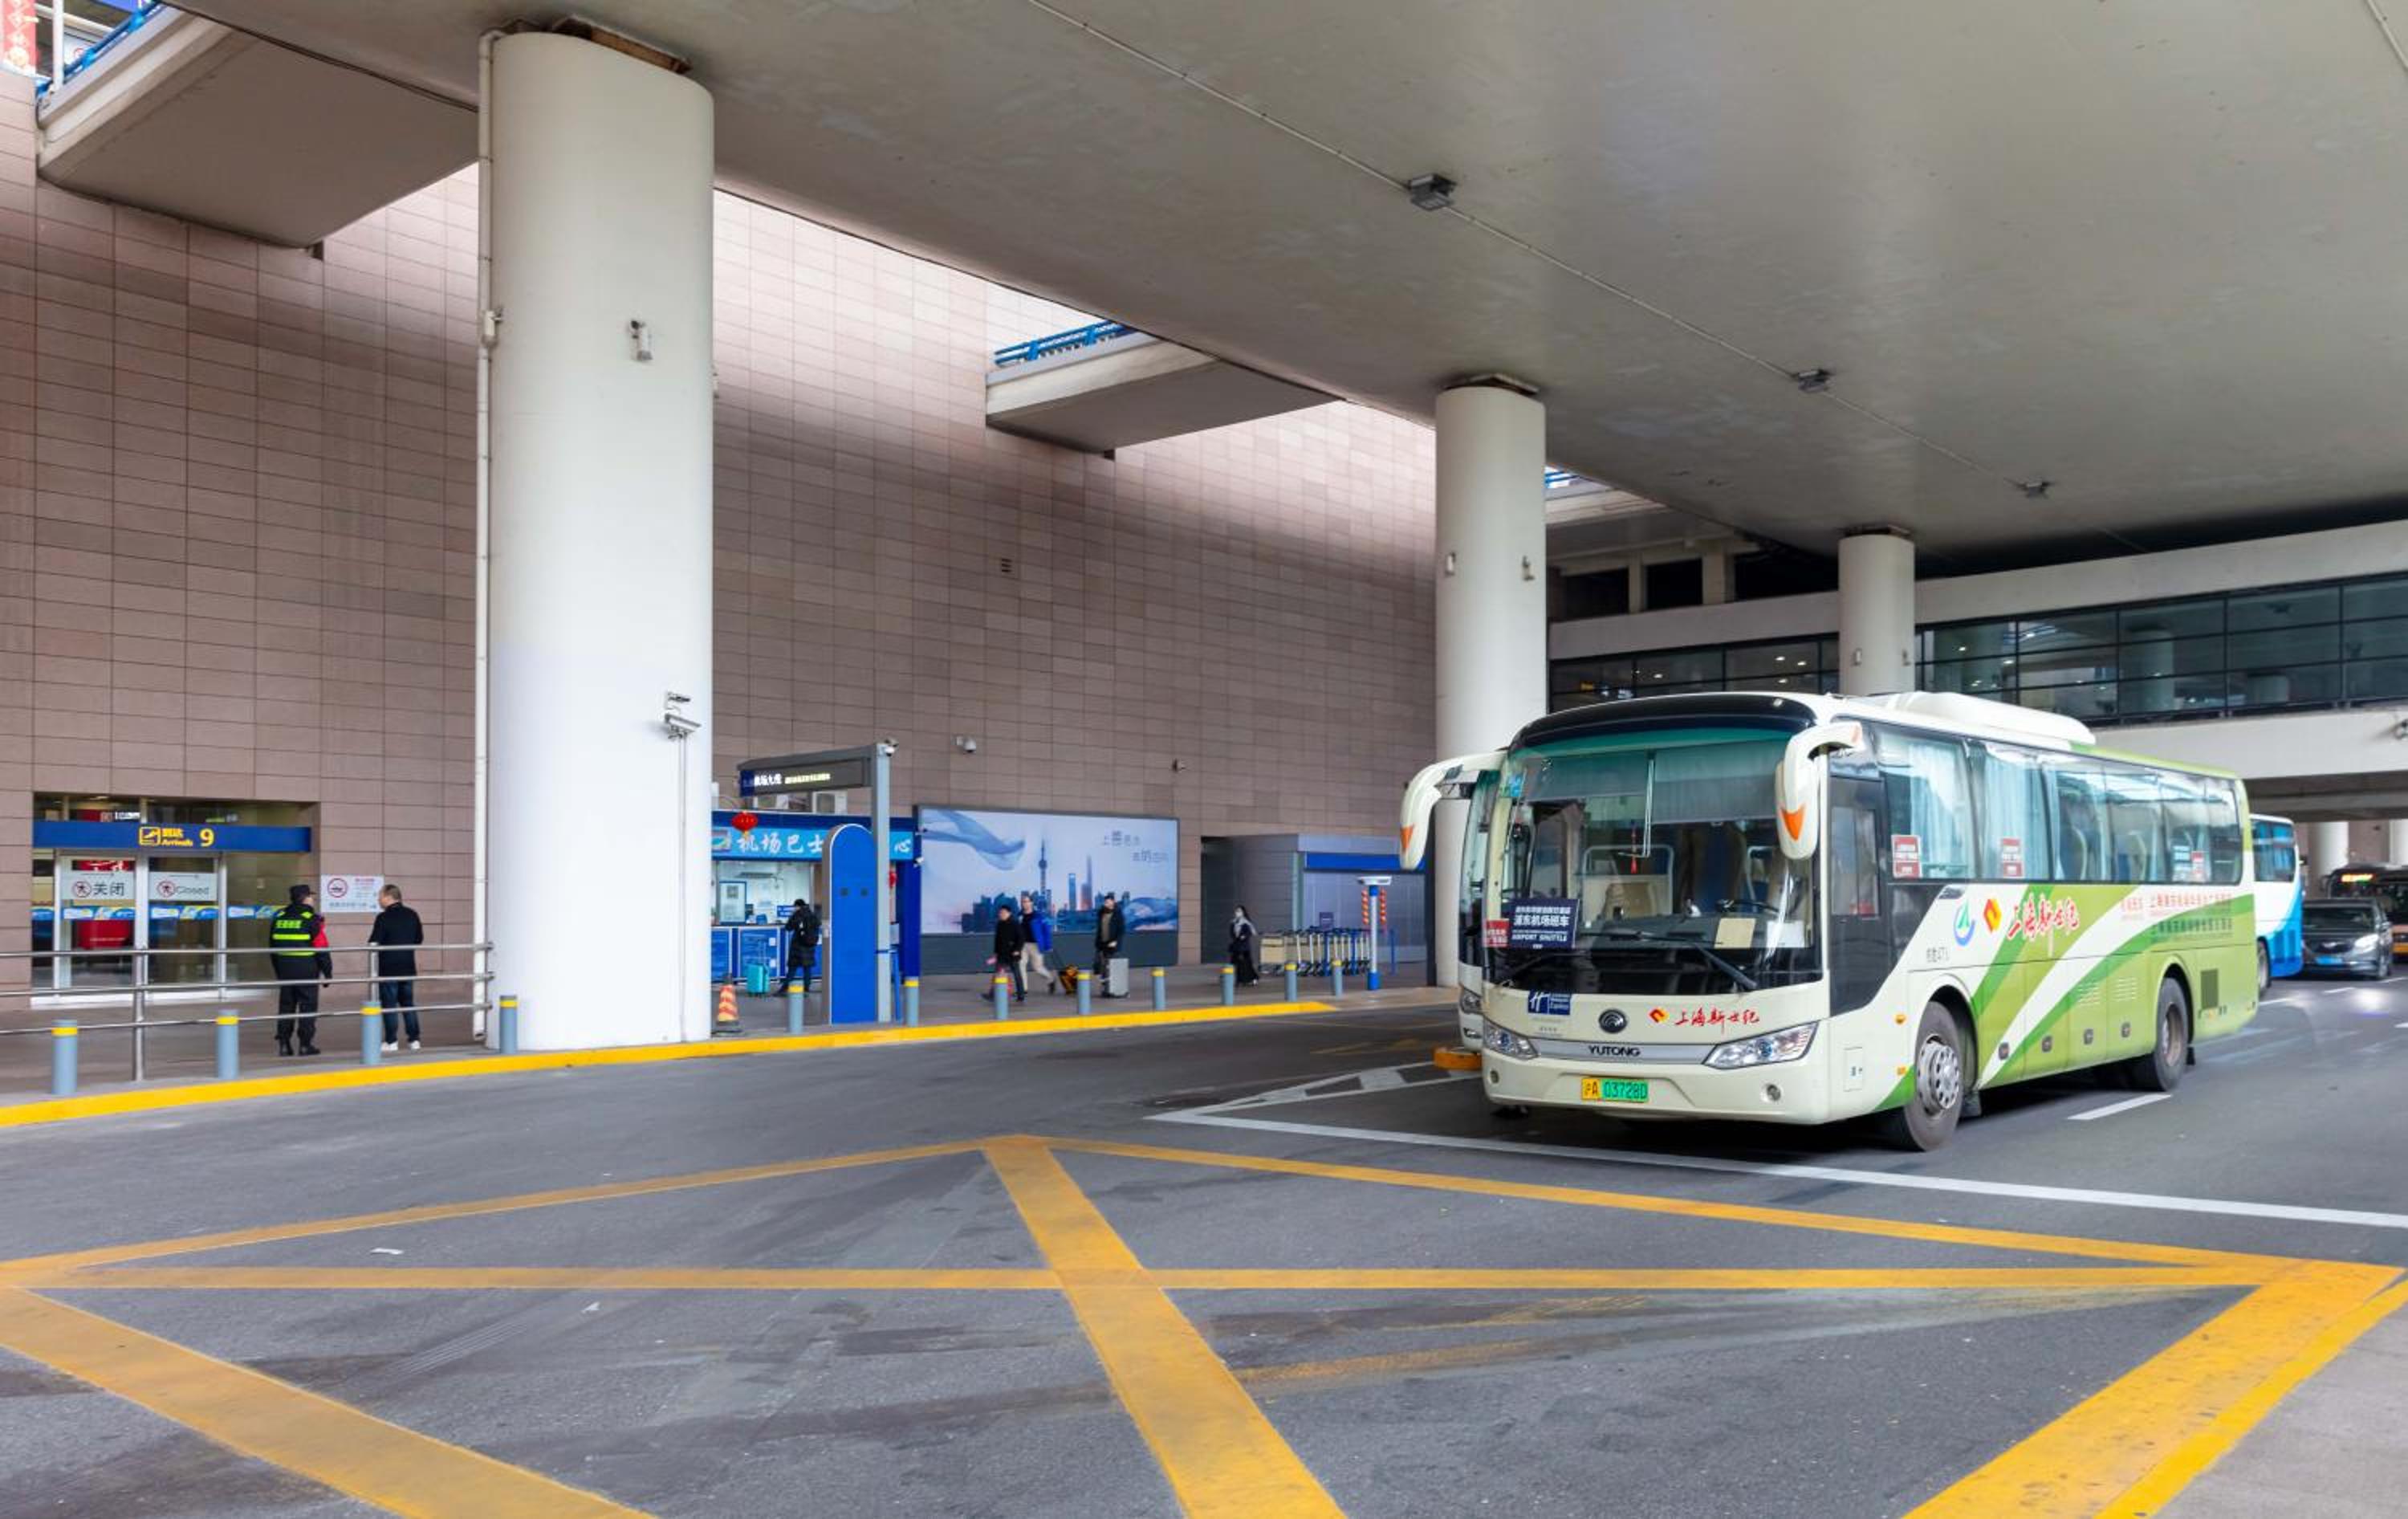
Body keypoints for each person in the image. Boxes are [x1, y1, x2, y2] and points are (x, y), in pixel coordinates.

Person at [268, 883, 332, 1057]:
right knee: (307, 1007)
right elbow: (322, 948)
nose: (313, 899)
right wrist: (328, 972)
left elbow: (272, 948)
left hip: (285, 970)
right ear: (306, 898)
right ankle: (305, 1045)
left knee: (286, 1007)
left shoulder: (279, 918)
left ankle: (284, 1045)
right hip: (306, 971)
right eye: (311, 896)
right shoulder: (311, 919)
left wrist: (278, 971)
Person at [368, 883, 425, 1051]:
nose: (378, 900)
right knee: (408, 1004)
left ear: (388, 897)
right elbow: (419, 939)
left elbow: (374, 941)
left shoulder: (383, 917)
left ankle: (391, 1042)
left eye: (380, 896)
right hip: (408, 967)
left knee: (389, 1005)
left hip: (389, 968)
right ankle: (414, 1040)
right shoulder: (412, 914)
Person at [777, 898, 821, 995]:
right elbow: (818, 925)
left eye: (794, 907)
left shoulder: (798, 914)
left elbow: (788, 927)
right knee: (807, 968)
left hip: (798, 946)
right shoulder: (812, 914)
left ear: (797, 906)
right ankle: (806, 989)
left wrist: (792, 916)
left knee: (792, 968)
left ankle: (784, 989)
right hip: (810, 945)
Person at [1019, 892, 1056, 995]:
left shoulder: (1038, 916)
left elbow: (1046, 931)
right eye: (1023, 902)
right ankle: (1023, 989)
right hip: (1022, 945)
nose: (1025, 904)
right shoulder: (1019, 916)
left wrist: (1048, 945)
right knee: (1021, 965)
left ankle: (1051, 979)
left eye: (1027, 901)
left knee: (1038, 968)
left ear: (1031, 903)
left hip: (1035, 945)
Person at [990, 903, 1026, 1000]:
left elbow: (1021, 938)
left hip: (1012, 954)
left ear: (1009, 913)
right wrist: (995, 953)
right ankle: (994, 994)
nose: (1000, 914)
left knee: (1017, 975)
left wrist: (1017, 950)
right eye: (1000, 913)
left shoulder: (1015, 923)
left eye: (1003, 913)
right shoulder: (999, 924)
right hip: (1001, 954)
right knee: (998, 974)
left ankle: (1021, 995)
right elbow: (997, 940)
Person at [1093, 892, 1125, 997]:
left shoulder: (1118, 914)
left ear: (1113, 902)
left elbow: (1121, 930)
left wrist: (1116, 941)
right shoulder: (1101, 913)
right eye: (1105, 902)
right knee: (1098, 966)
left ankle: (1110, 989)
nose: (1106, 903)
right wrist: (1097, 942)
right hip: (1101, 943)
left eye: (1108, 901)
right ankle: (1105, 987)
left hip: (1112, 944)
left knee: (1110, 967)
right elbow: (1100, 929)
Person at [1229, 904, 1260, 986]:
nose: (1237, 913)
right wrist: (1236, 938)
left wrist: (1244, 936)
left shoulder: (1246, 923)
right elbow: (1232, 933)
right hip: (1236, 947)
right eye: (1236, 911)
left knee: (1246, 964)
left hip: (1244, 947)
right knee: (1235, 963)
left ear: (1243, 913)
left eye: (1239, 911)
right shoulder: (1233, 923)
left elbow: (1250, 933)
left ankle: (1251, 978)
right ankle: (1238, 979)